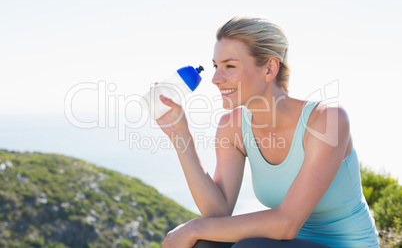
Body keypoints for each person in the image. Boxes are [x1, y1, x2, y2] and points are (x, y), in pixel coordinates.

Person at [156, 16, 379, 247]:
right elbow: (218, 212)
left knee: (246, 246)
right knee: (203, 243)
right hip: (287, 244)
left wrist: (193, 226)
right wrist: (180, 135)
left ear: (270, 68)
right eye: (215, 66)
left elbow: (287, 223)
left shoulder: (326, 120)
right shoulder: (232, 127)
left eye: (229, 66)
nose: (215, 79)